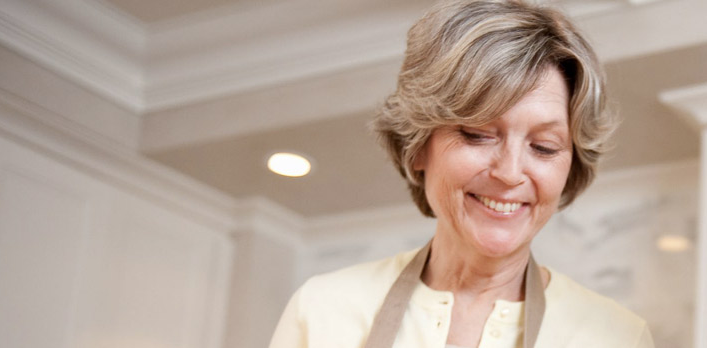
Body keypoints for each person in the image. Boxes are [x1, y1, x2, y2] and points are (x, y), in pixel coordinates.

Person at [268, 1, 653, 347]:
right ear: (418, 146)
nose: (509, 172)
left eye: (544, 147)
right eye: (478, 135)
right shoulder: (322, 311)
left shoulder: (617, 336)